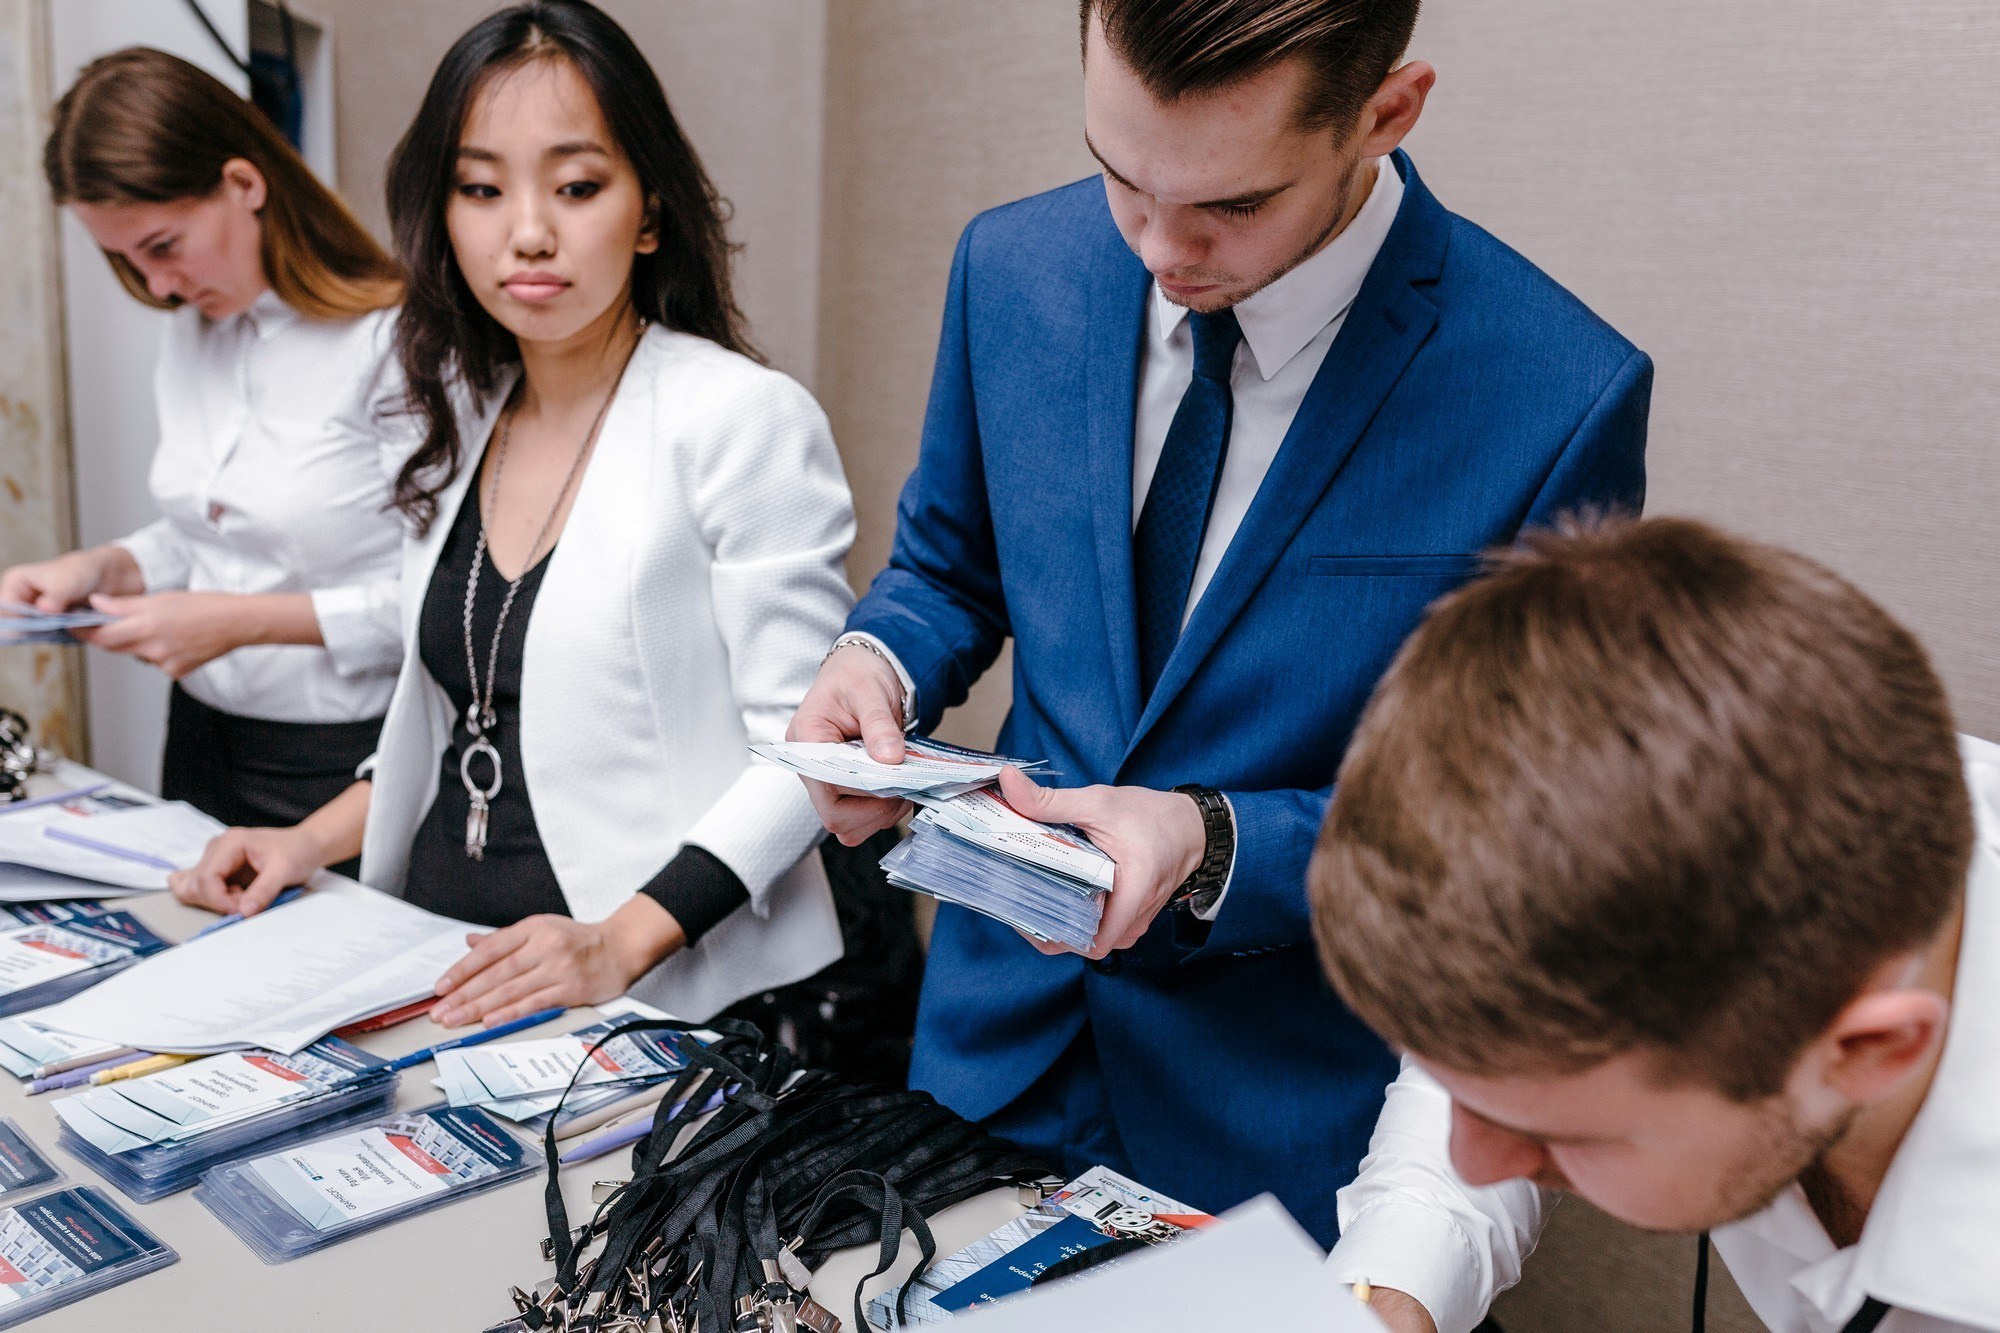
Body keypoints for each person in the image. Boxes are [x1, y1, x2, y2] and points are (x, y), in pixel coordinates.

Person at [786, 0, 1651, 1241]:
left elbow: (1519, 836)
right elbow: (949, 565)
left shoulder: (1552, 393)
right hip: (986, 1055)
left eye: (1232, 205)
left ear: (1384, 114)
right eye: (1117, 176)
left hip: (1278, 1122)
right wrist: (875, 661)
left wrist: (1213, 842)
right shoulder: (1012, 266)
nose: (1157, 246)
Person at [172, 0, 852, 1026]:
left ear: (650, 210)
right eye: (481, 189)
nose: (527, 232)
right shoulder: (458, 417)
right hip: (427, 956)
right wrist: (303, 842)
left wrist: (618, 943)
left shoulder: (740, 419)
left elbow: (807, 759)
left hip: (649, 988)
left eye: (577, 187)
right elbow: (453, 719)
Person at [1312, 516, 1996, 1333]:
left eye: (1562, 1134)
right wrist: (1392, 1294)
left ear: (1864, 1050)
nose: (1472, 1158)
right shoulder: (1798, 791)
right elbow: (1509, 1059)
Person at [6, 48, 406, 856]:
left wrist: (235, 623)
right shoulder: (194, 333)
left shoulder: (395, 345)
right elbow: (212, 538)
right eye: (125, 259)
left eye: (163, 245)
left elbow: (453, 608)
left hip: (339, 764)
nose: (155, 286)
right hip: (199, 740)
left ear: (245, 185)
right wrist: (104, 569)